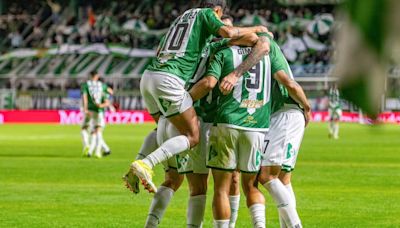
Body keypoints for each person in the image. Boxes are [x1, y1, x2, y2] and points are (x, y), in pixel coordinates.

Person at [125, 15, 260, 228]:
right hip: (202, 118)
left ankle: (148, 214)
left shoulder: (193, 44)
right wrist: (258, 30)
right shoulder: (219, 48)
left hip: (169, 104)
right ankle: (145, 163)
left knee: (173, 179)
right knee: (208, 186)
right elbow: (251, 39)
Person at [189, 33, 271, 228]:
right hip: (257, 126)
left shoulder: (223, 53)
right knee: (251, 186)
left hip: (227, 122)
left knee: (221, 189)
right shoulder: (266, 54)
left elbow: (209, 83)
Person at [257, 40, 311, 228]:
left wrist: (307, 107)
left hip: (286, 115)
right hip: (284, 116)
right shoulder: (267, 55)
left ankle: (296, 225)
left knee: (266, 175)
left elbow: (291, 85)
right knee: (283, 179)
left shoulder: (268, 49)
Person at [80, 71, 111, 158]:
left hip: (89, 110)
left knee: (84, 128)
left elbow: (85, 98)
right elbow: (110, 93)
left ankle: (87, 145)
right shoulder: (102, 86)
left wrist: (85, 108)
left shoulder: (85, 85)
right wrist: (101, 104)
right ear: (97, 76)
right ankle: (98, 151)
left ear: (90, 76)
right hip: (99, 111)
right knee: (97, 130)